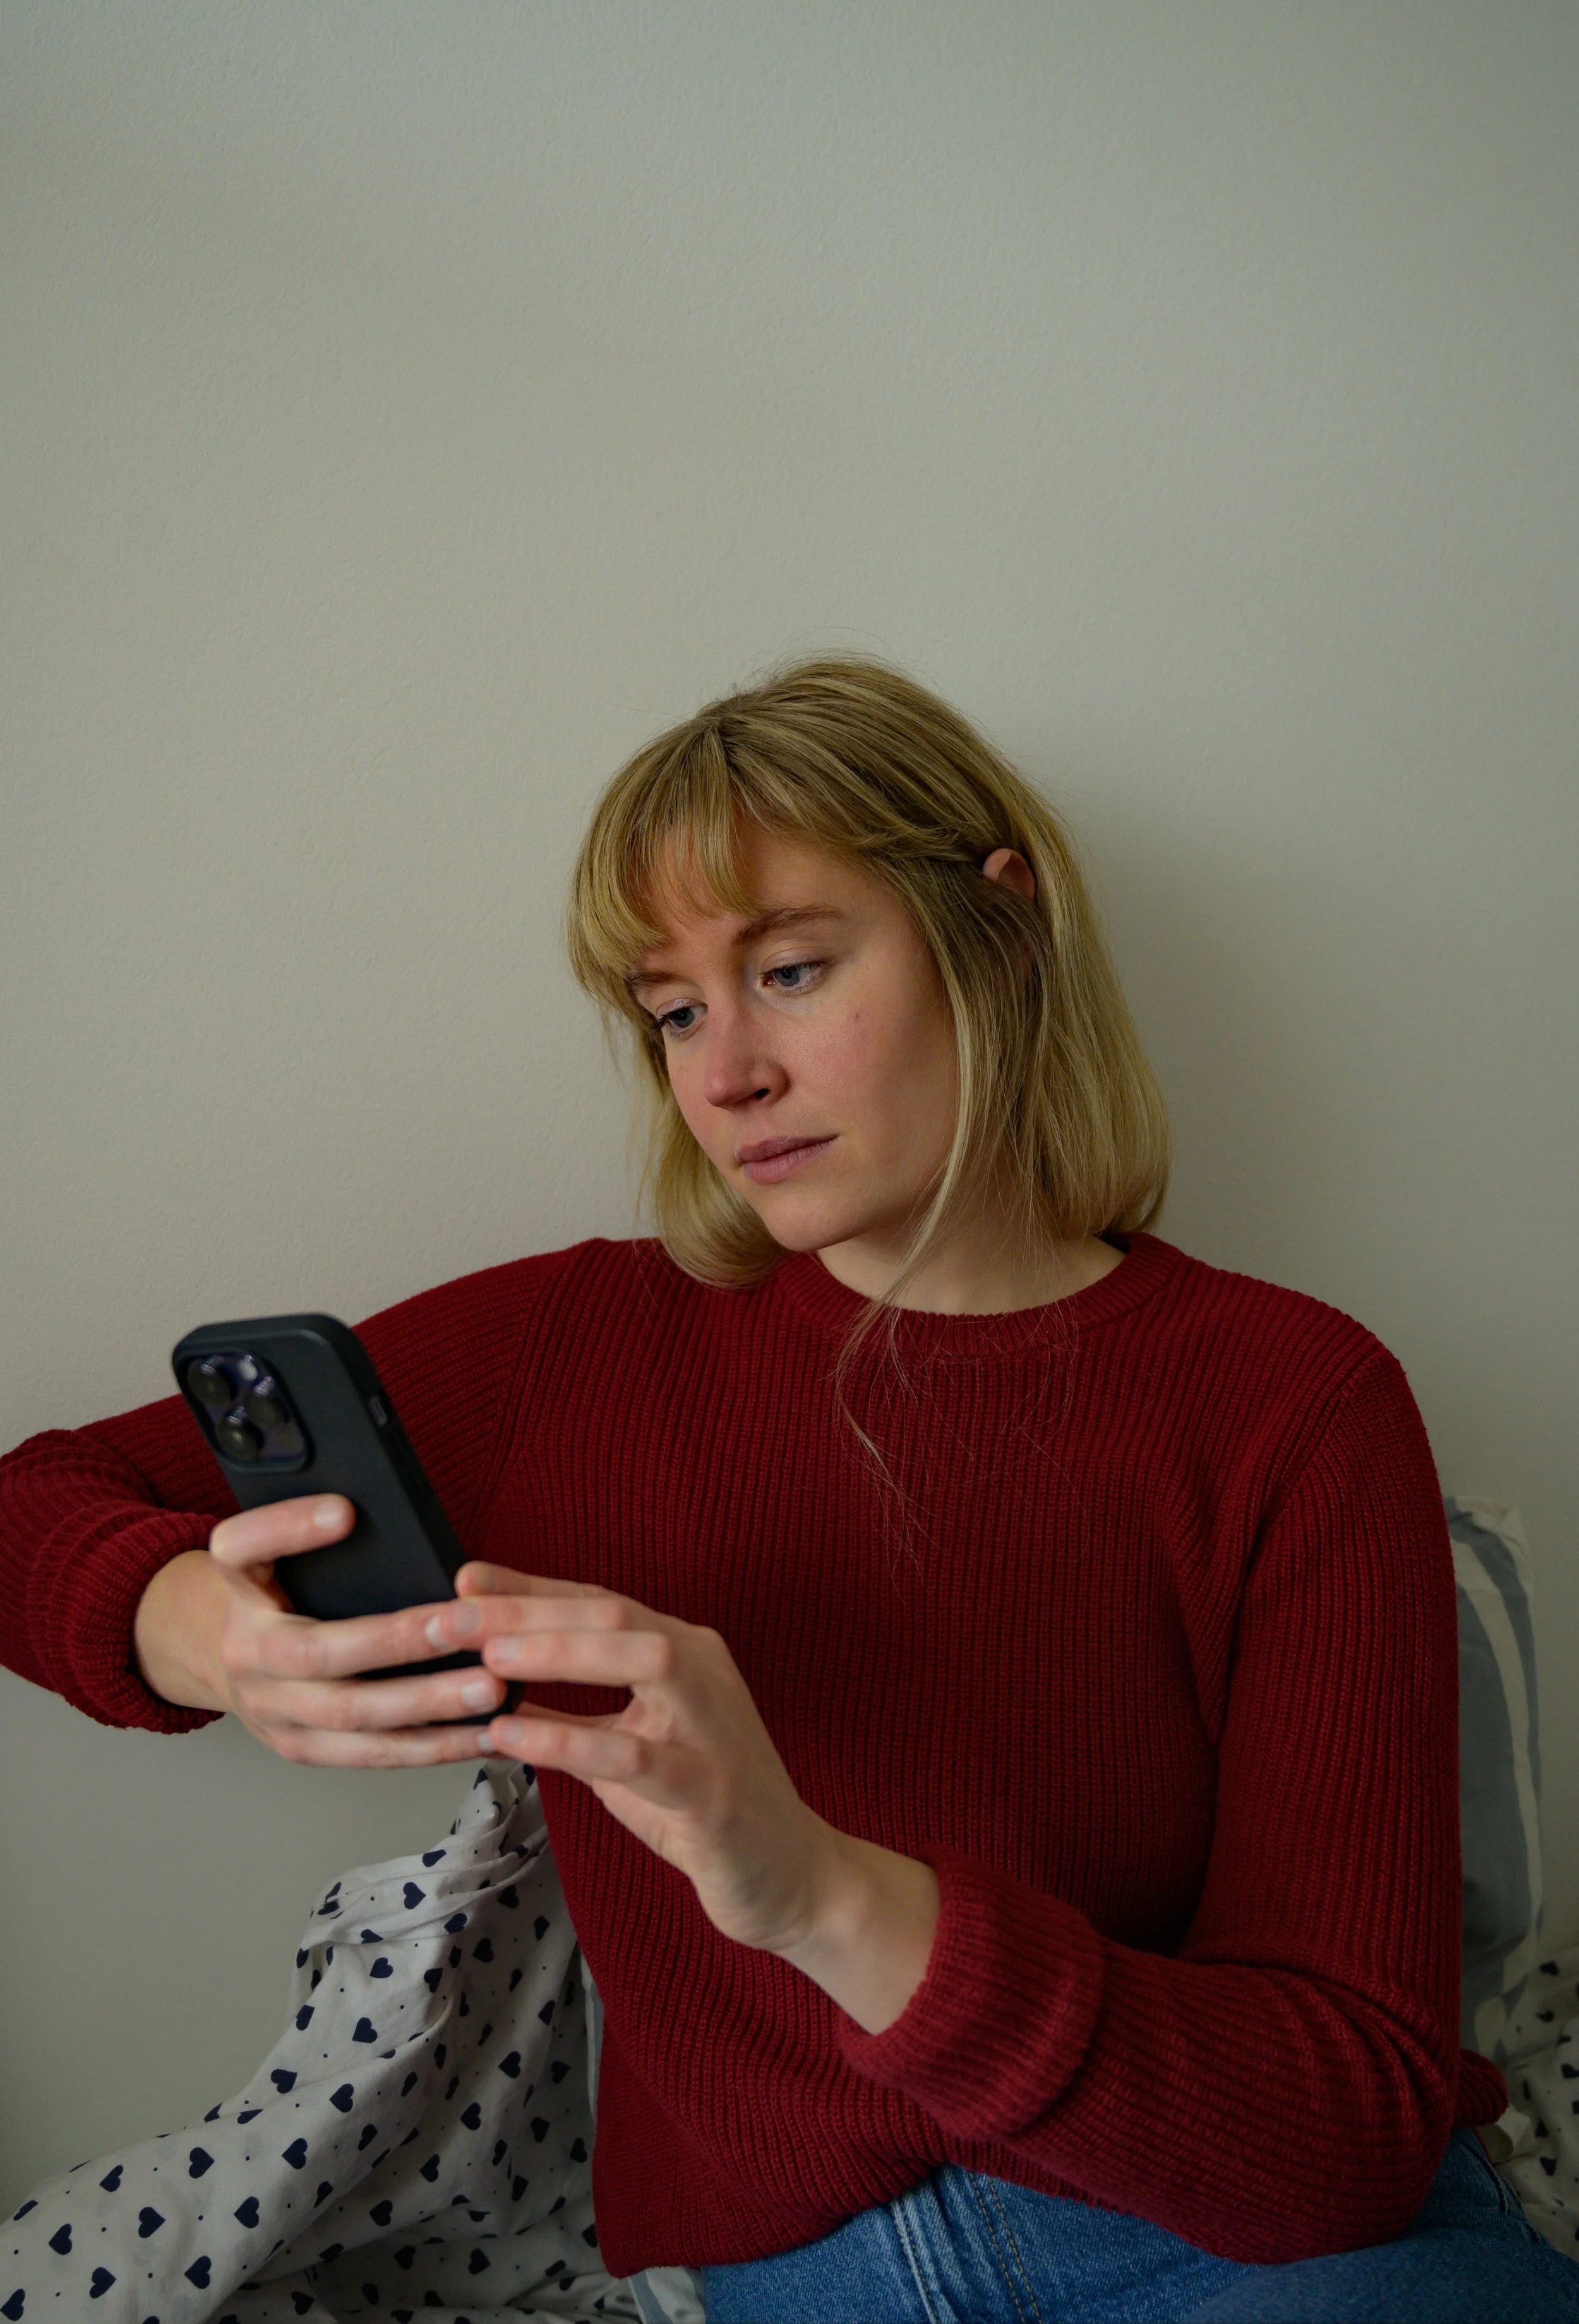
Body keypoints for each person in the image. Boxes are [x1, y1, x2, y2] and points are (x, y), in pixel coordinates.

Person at [2, 658, 1576, 2324]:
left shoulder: (1293, 1398)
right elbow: (32, 1503)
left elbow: (1336, 2132)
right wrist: (195, 1628)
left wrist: (818, 1888)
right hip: (798, 2285)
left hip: (1257, 2261)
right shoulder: (571, 1344)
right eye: (675, 1010)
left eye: (792, 968)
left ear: (1004, 929)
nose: (724, 1070)